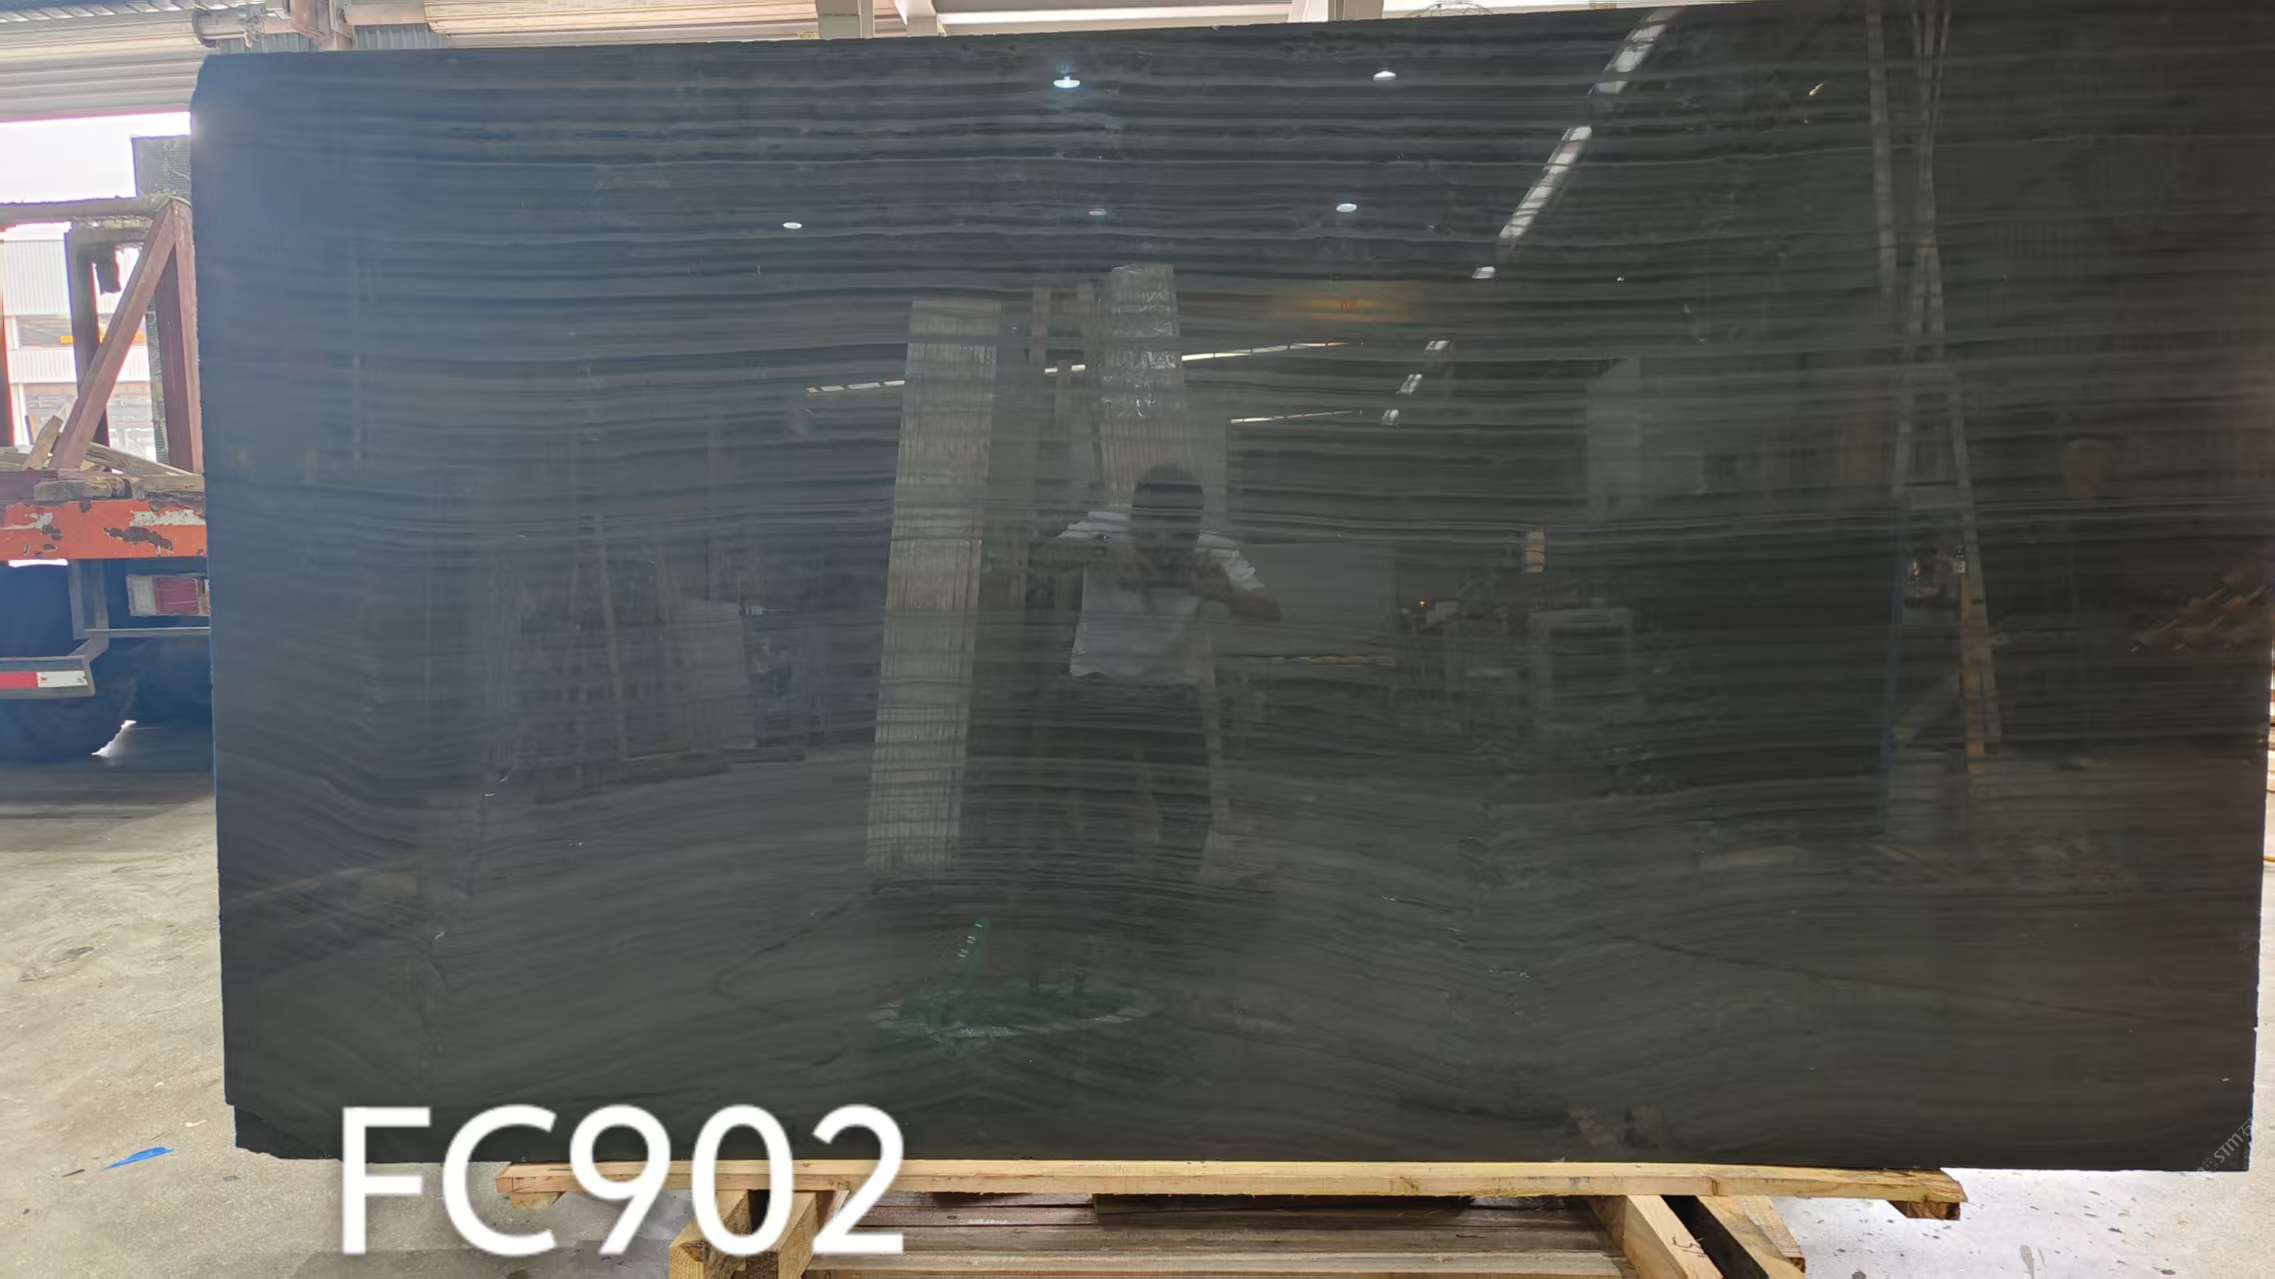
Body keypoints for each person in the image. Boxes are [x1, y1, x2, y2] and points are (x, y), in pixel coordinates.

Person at [1035, 463, 1279, 891]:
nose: (1163, 542)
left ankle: (1169, 895)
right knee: (1105, 805)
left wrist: (1224, 595)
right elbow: (1044, 558)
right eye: (1151, 530)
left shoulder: (1210, 551)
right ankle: (1113, 895)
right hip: (1101, 685)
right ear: (1135, 516)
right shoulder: (1106, 528)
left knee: (1188, 809)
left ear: (1194, 526)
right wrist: (1105, 552)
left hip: (1171, 691)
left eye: (1177, 533)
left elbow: (1270, 612)